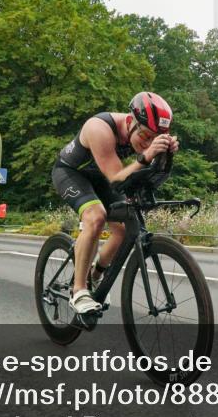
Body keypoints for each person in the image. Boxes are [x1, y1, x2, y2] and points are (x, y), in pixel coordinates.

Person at [52, 92, 178, 319]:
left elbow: (132, 176)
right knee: (96, 217)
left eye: (155, 138)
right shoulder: (99, 128)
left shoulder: (139, 133)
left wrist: (164, 155)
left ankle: (95, 276)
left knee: (123, 229)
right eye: (145, 136)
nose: (147, 143)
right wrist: (147, 155)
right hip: (71, 173)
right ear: (130, 121)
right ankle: (78, 290)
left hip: (102, 176)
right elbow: (117, 178)